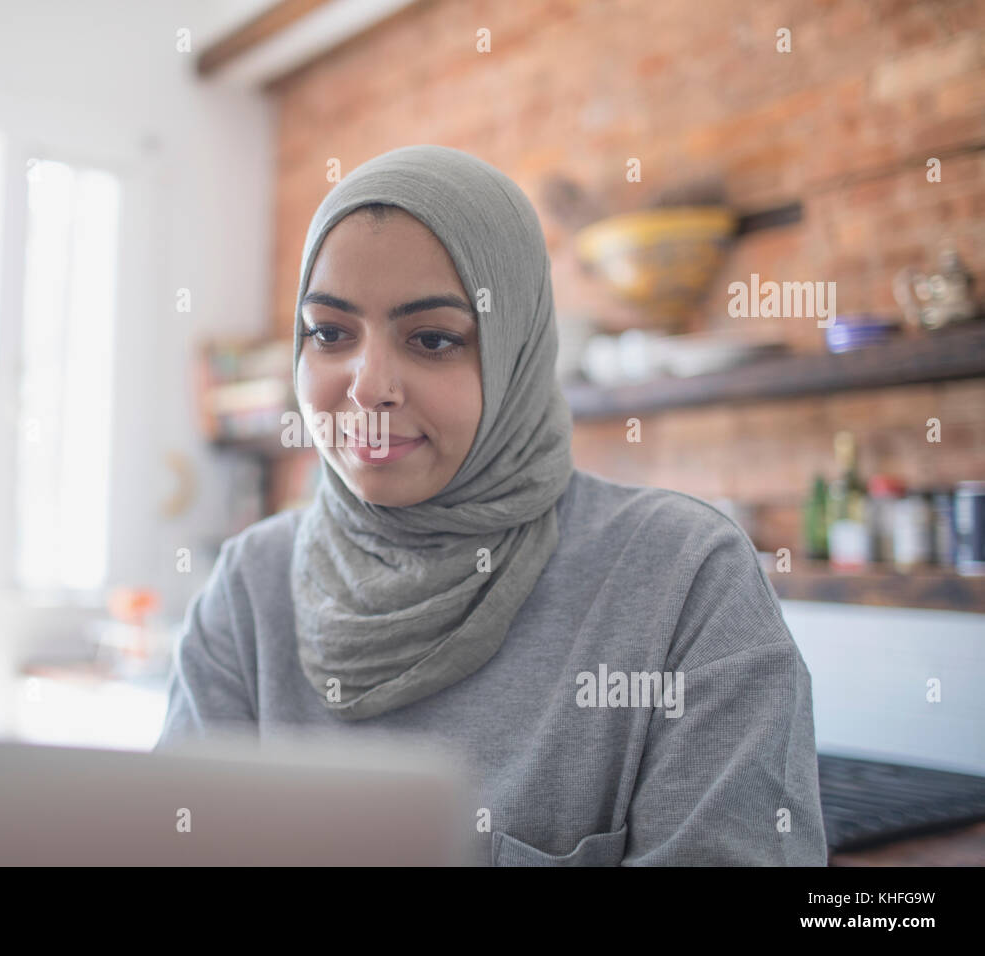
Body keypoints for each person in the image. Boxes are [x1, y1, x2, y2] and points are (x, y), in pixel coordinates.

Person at [156, 144, 828, 866]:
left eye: (433, 338)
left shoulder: (683, 581)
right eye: (328, 333)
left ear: (517, 352)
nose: (368, 386)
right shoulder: (250, 589)